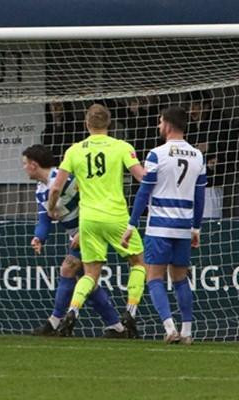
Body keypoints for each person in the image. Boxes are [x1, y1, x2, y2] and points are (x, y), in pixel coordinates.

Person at [48, 104, 147, 338]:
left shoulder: (74, 150)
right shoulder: (122, 146)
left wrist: (52, 209)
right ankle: (130, 312)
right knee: (138, 263)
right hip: (116, 216)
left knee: (90, 273)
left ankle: (72, 312)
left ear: (87, 124)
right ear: (109, 123)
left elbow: (55, 188)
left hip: (89, 219)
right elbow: (142, 177)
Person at [22, 145, 128, 338]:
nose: (23, 168)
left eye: (25, 164)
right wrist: (39, 237)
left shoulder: (66, 180)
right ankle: (117, 327)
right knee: (89, 283)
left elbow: (90, 200)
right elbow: (44, 219)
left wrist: (83, 230)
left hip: (91, 230)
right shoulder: (40, 190)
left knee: (67, 269)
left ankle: (54, 323)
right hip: (77, 235)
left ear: (34, 164)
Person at [121, 106, 205, 345]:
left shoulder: (157, 154)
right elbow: (199, 197)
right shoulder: (198, 155)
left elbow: (143, 191)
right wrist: (195, 229)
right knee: (180, 278)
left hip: (159, 225)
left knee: (154, 277)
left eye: (160, 122)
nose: (158, 126)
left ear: (168, 125)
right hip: (183, 225)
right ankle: (187, 331)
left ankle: (169, 328)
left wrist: (131, 224)